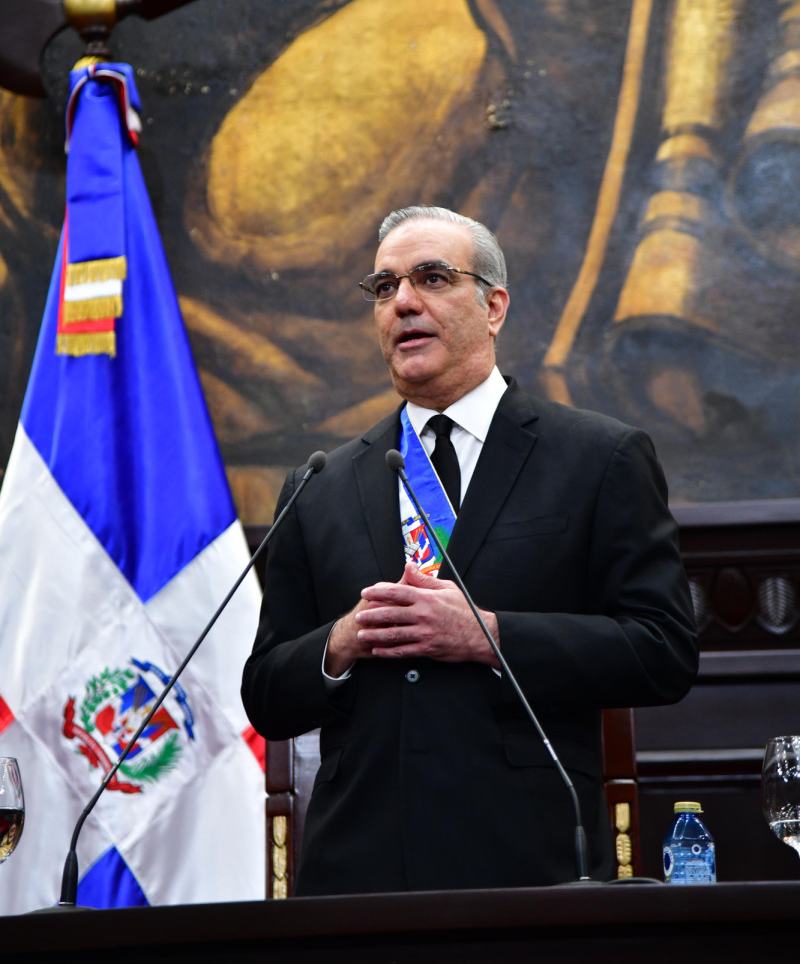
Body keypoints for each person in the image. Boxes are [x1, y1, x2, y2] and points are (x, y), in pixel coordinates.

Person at [241, 205, 698, 893]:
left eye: (431, 277)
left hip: (527, 862)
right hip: (356, 875)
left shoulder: (598, 459)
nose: (404, 302)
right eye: (384, 286)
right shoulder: (321, 483)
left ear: (494, 307)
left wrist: (491, 636)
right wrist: (339, 642)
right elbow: (266, 693)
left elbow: (663, 653)